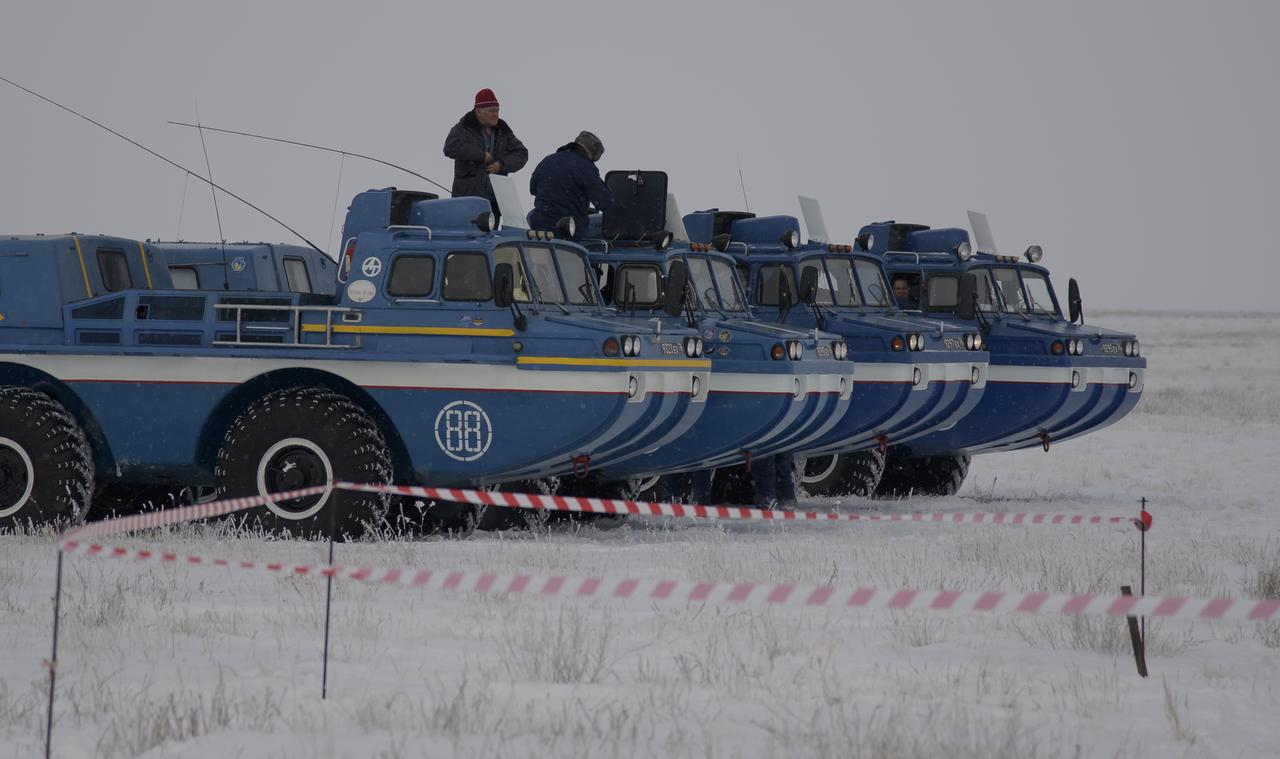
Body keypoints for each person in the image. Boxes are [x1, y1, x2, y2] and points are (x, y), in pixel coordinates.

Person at [442, 88, 528, 217]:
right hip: (468, 199)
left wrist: (501, 165)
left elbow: (522, 153)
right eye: (491, 111)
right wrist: (480, 155)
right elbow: (450, 147)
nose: (496, 115)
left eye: (497, 110)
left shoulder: (503, 131)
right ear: (478, 112)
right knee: (468, 235)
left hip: (495, 200)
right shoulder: (464, 127)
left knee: (492, 235)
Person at [527, 131, 613, 238]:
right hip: (567, 230)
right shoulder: (585, 166)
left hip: (540, 226)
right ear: (591, 154)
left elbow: (533, 189)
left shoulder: (548, 160)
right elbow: (604, 201)